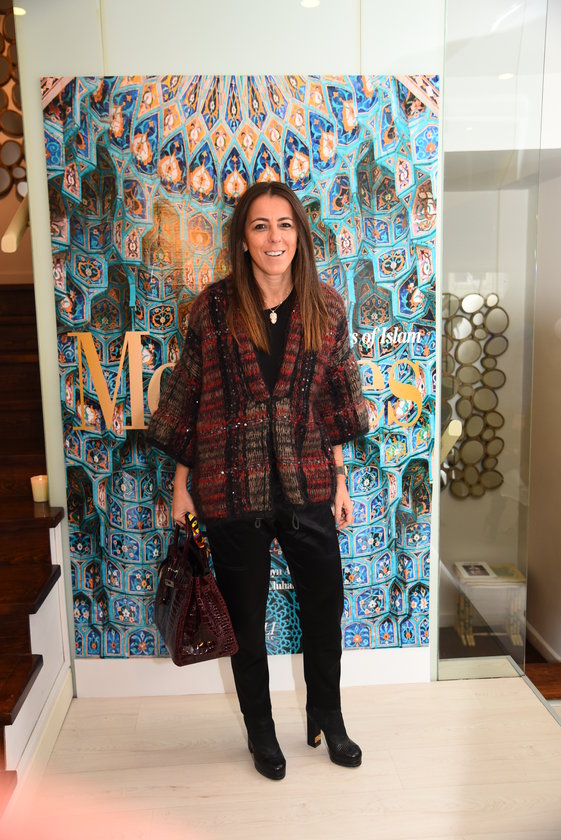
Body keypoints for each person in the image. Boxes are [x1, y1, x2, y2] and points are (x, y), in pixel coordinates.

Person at [147, 181, 369, 781]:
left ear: (300, 236)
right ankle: (261, 731)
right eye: (260, 226)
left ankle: (328, 716)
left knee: (324, 609)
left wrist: (340, 480)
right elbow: (190, 399)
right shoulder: (213, 309)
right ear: (243, 240)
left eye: (285, 225)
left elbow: (336, 405)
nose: (275, 238)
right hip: (230, 486)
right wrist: (181, 484)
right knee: (245, 623)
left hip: (308, 482)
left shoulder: (327, 307)